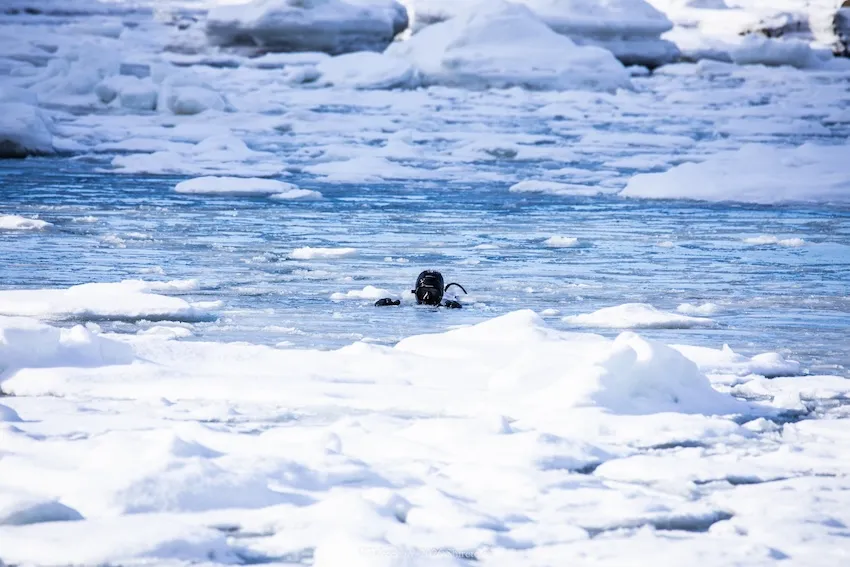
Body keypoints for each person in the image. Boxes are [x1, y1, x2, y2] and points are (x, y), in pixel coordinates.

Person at [375, 270, 467, 308]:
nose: (427, 297)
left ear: (441, 294)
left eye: (432, 293)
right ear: (415, 292)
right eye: (422, 293)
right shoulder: (406, 302)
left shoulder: (449, 301)